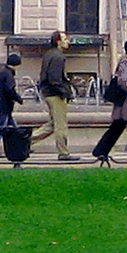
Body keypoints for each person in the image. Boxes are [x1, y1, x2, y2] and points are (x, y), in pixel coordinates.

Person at [37, 32, 76, 161]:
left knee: (52, 124)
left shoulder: (49, 54)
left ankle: (24, 141)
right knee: (60, 125)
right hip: (55, 94)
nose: (68, 41)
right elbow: (55, 79)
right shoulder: (58, 57)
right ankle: (64, 153)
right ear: (58, 41)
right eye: (65, 39)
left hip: (49, 92)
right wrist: (65, 92)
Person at [0, 47, 29, 158]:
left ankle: (22, 147)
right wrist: (18, 99)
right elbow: (10, 90)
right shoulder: (8, 74)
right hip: (6, 106)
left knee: (14, 128)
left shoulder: (2, 72)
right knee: (0, 129)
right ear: (16, 64)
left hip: (3, 105)